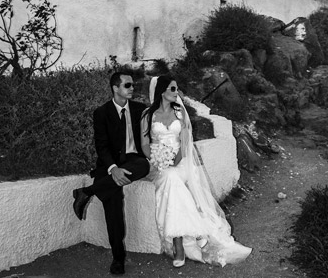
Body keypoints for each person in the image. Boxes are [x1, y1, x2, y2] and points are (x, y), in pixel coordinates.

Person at [140, 75, 252, 268]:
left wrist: (173, 160)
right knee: (169, 178)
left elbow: (185, 143)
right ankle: (197, 233)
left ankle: (179, 246)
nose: (177, 93)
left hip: (181, 162)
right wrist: (158, 159)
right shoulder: (147, 115)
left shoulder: (179, 113)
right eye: (173, 89)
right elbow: (144, 144)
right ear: (162, 91)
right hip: (158, 164)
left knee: (173, 177)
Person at [71, 71, 151, 275]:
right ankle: (118, 258)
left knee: (144, 165)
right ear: (115, 88)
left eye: (132, 85)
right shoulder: (101, 113)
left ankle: (87, 192)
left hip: (134, 161)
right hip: (109, 164)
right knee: (112, 203)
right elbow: (102, 145)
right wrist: (113, 169)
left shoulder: (140, 110)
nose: (132, 88)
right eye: (127, 85)